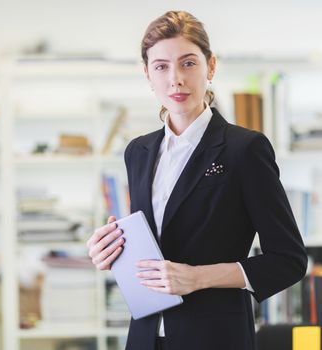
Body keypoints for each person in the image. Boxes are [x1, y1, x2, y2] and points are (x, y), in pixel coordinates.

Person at [87, 10, 307, 350]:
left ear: (211, 66)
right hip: (145, 335)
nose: (175, 79)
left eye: (188, 63)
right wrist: (111, 252)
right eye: (161, 66)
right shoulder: (138, 151)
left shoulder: (244, 149)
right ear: (147, 74)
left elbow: (289, 260)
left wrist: (196, 278)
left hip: (215, 337)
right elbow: (155, 242)